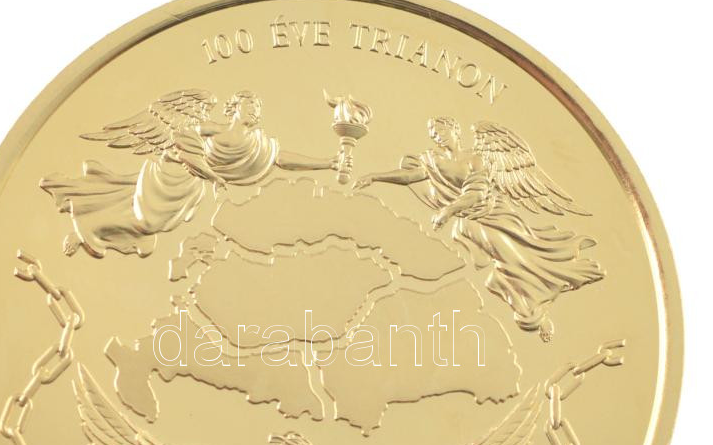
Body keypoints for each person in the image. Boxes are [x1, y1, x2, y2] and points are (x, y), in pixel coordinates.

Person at [354, 116, 604, 340]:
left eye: (441, 130)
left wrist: (447, 211)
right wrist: (375, 176)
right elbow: (411, 176)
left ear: (455, 130)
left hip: (493, 214)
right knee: (506, 263)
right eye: (433, 134)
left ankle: (541, 299)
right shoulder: (434, 160)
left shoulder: (476, 158)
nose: (437, 136)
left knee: (516, 257)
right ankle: (530, 312)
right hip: (470, 224)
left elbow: (476, 192)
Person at [41, 90, 338, 258]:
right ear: (235, 108)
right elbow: (184, 146)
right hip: (170, 175)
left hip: (189, 189)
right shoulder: (211, 128)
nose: (255, 110)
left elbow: (280, 160)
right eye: (250, 105)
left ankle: (99, 227)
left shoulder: (256, 143)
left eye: (258, 107)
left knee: (138, 216)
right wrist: (213, 175)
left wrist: (327, 163)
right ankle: (86, 231)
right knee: (145, 219)